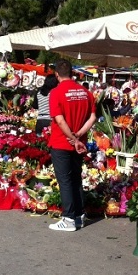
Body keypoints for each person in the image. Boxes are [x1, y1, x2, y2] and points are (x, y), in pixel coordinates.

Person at [48, 59, 96, 232]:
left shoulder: (56, 92)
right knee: (76, 178)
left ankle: (68, 218)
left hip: (62, 142)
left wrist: (72, 138)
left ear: (56, 74)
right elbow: (92, 117)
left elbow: (59, 120)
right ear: (72, 72)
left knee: (65, 180)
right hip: (79, 142)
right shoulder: (85, 92)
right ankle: (79, 215)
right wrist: (79, 135)